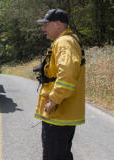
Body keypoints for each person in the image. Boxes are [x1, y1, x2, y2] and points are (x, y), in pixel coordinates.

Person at [35, 9, 86, 160]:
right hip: (60, 115)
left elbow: (68, 74)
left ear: (58, 24)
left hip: (58, 114)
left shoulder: (65, 42)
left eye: (46, 24)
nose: (44, 29)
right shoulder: (65, 41)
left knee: (54, 156)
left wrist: (54, 100)